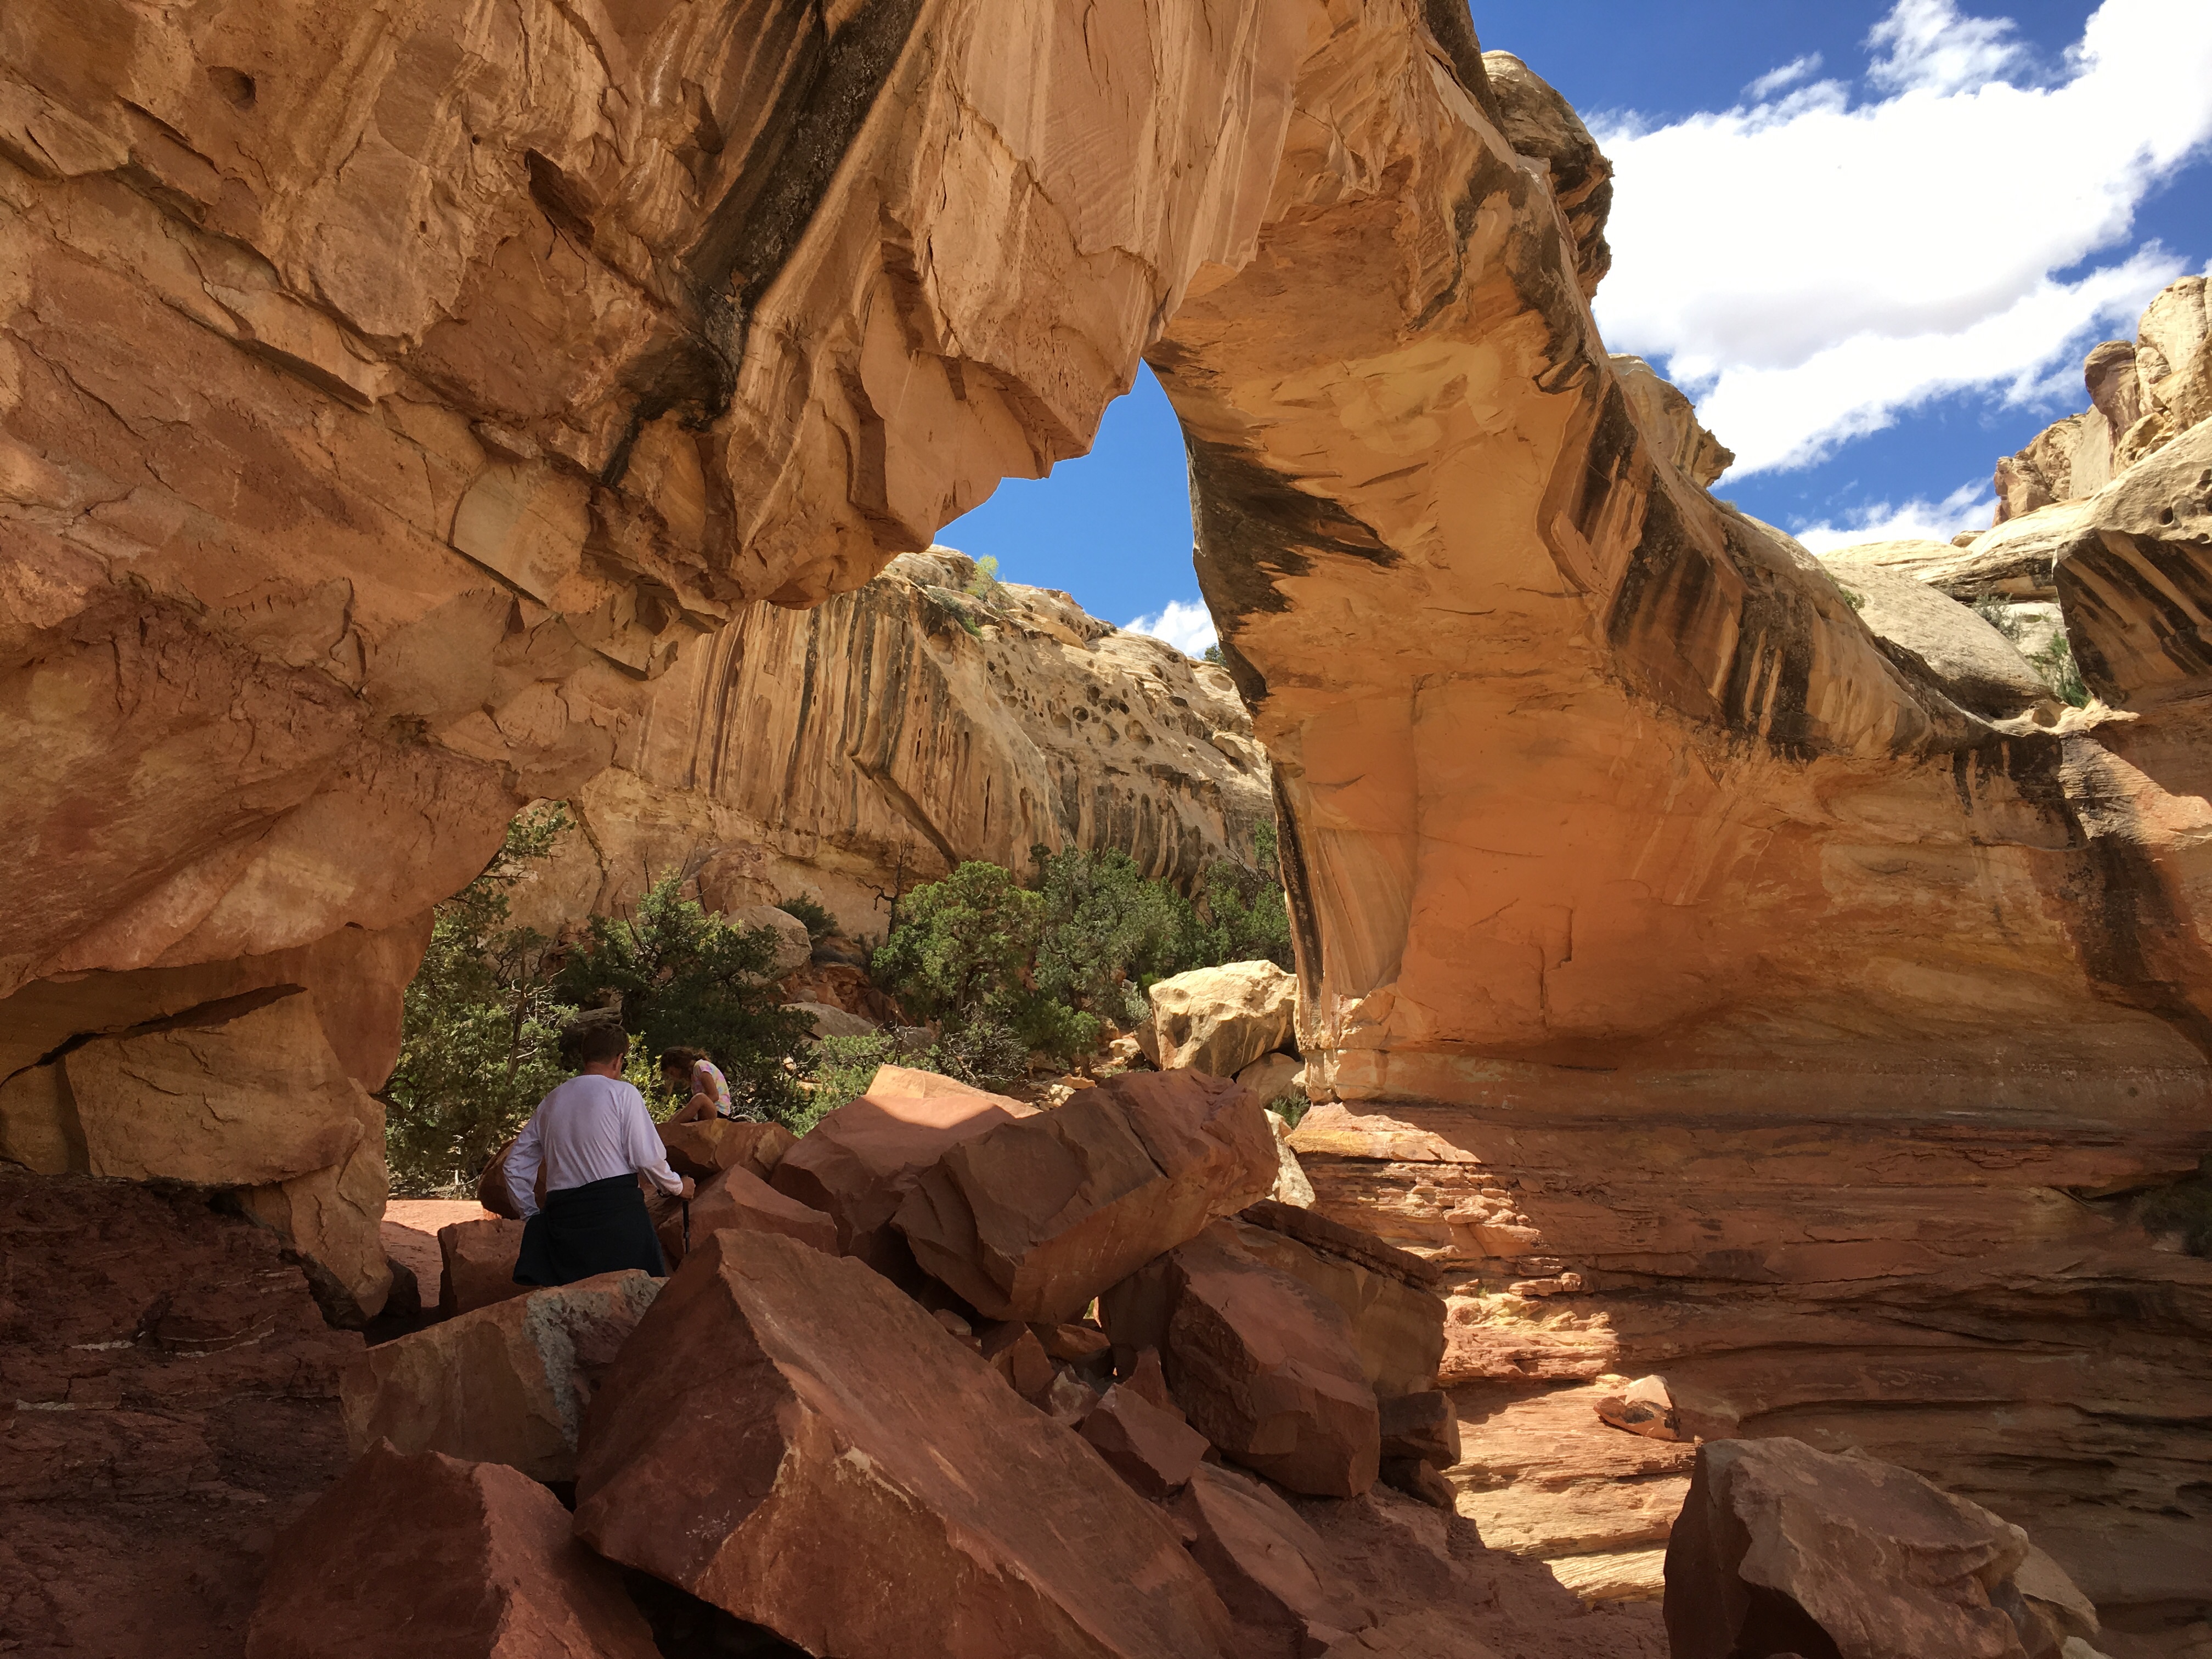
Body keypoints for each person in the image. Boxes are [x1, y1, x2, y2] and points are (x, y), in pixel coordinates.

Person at [508, 1014, 692, 1286]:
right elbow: (646, 1158)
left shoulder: (551, 1100)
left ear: (585, 1057)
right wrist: (678, 1187)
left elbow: (514, 1166)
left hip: (564, 1224)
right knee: (647, 1299)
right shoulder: (623, 1093)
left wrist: (531, 1215)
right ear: (618, 1060)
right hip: (617, 1219)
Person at [660, 1045, 734, 1125]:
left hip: (718, 1112)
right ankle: (669, 1126)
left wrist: (695, 1107)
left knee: (700, 1098)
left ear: (678, 1064)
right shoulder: (693, 1075)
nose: (674, 1077)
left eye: (672, 1072)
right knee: (678, 1113)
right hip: (706, 1110)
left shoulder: (700, 1066)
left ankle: (671, 1126)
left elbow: (714, 1095)